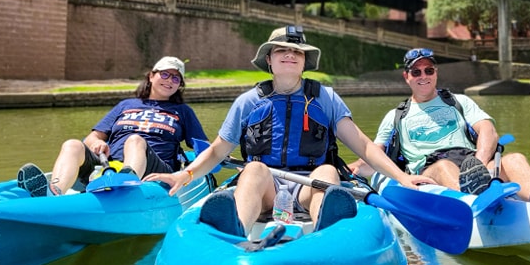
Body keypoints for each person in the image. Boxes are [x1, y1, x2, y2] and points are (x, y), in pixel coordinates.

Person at [145, 26, 435, 236]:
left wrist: (402, 177)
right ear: (269, 60)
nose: (289, 55)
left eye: (296, 52)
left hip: (309, 185)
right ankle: (235, 232)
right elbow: (219, 149)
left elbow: (363, 145)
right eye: (281, 51)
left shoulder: (325, 98)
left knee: (327, 173)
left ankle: (327, 232)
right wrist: (184, 175)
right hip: (265, 188)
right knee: (254, 170)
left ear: (304, 62)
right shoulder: (249, 101)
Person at [349, 47, 530, 204]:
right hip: (431, 167)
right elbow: (374, 154)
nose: (423, 75)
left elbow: (487, 130)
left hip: (471, 160)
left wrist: (479, 166)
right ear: (407, 76)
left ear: (436, 73)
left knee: (515, 159)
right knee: (444, 167)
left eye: (429, 70)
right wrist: (353, 169)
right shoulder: (395, 116)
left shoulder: (459, 101)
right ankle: (473, 202)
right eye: (416, 71)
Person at [17, 56, 208, 196]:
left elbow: (205, 148)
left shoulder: (183, 111)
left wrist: (215, 160)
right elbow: (93, 137)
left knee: (135, 141)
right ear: (151, 76)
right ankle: (54, 192)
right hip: (107, 166)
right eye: (165, 74)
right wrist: (96, 145)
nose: (169, 81)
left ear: (179, 85)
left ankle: (126, 184)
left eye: (176, 79)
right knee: (72, 144)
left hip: (155, 170)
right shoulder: (125, 105)